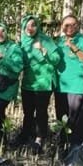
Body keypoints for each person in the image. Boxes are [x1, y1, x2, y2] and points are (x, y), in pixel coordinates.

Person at [17, 15, 59, 152]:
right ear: (24, 28)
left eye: (33, 25)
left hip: (44, 83)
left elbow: (56, 59)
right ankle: (25, 134)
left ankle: (40, 138)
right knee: (27, 112)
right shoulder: (23, 42)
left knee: (41, 112)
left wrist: (43, 50)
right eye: (27, 26)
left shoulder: (46, 40)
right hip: (28, 83)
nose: (30, 28)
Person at [53, 14, 83, 146]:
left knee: (76, 120)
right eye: (66, 25)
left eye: (73, 24)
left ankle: (76, 147)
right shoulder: (59, 42)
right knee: (62, 118)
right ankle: (63, 143)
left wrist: (74, 47)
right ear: (61, 27)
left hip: (77, 86)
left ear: (78, 26)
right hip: (61, 85)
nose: (70, 27)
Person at [0, 22, 24, 153]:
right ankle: (2, 143)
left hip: (7, 87)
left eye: (2, 31)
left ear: (6, 32)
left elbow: (18, 67)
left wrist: (4, 58)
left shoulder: (14, 48)